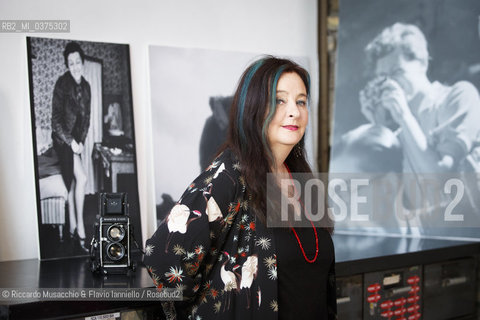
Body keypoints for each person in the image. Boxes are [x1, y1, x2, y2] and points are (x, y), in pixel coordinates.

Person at [144, 57, 336, 319]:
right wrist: (214, 306)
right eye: (280, 100)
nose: (294, 111)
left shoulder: (300, 176)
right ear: (254, 107)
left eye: (301, 101)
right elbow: (163, 258)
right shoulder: (231, 174)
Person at [359, 23, 480, 233]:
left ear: (422, 62)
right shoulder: (399, 130)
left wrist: (403, 115)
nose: (391, 84)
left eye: (397, 71)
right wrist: (377, 128)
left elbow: (439, 180)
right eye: (384, 77)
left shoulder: (458, 96)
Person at [51, 41, 91, 253]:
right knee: (81, 178)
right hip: (62, 140)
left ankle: (74, 228)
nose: (75, 66)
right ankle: (81, 229)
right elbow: (55, 120)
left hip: (77, 142)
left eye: (77, 62)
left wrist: (82, 140)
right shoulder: (61, 83)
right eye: (71, 63)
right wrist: (72, 142)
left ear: (82, 63)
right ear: (67, 65)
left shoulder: (86, 87)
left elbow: (87, 119)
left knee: (76, 183)